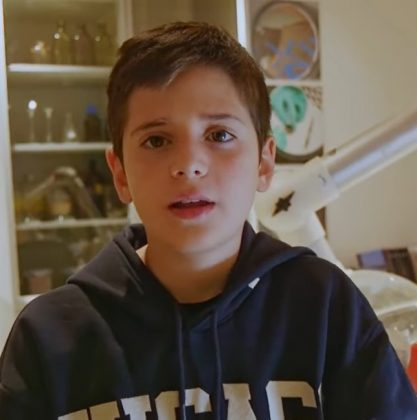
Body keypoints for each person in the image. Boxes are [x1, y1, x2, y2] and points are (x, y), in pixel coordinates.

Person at [0, 21, 416, 420]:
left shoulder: (326, 308)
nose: (189, 165)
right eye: (156, 140)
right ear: (120, 173)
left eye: (219, 135)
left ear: (264, 162)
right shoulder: (49, 338)